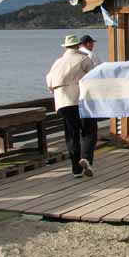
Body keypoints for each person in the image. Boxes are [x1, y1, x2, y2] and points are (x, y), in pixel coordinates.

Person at [46, 35, 95, 177]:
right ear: (79, 45)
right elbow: (92, 78)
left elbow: (49, 83)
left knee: (71, 135)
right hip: (80, 99)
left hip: (62, 102)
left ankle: (76, 170)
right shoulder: (84, 59)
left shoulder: (57, 62)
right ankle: (85, 158)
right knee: (89, 131)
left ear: (66, 47)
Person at [77, 34, 101, 164]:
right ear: (87, 43)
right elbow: (98, 72)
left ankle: (78, 159)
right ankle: (86, 158)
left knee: (77, 131)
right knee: (90, 130)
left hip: (71, 99)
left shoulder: (70, 58)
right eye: (92, 43)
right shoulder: (90, 56)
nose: (93, 45)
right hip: (88, 96)